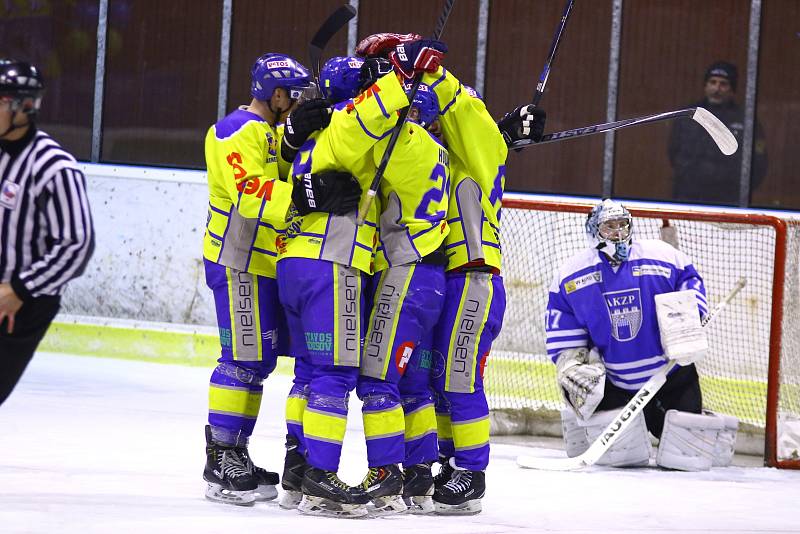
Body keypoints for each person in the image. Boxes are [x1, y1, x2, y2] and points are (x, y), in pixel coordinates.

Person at [354, 32, 546, 515]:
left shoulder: (472, 151)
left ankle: (471, 472)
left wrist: (434, 73)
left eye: (429, 113)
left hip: (474, 274)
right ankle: (443, 462)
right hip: (447, 277)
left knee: (459, 379)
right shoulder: (444, 153)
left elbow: (470, 122)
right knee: (437, 380)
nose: (423, 121)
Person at [276, 48, 444, 518]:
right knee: (340, 375)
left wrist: (290, 138)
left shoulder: (313, 134)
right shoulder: (361, 133)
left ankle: (298, 463)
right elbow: (368, 118)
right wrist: (402, 75)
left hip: (291, 260)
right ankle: (321, 477)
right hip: (337, 261)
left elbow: (286, 171)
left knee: (308, 375)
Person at [201, 52, 359, 506]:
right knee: (242, 359)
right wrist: (309, 194)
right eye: (294, 94)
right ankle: (221, 456)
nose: (300, 101)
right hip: (237, 260)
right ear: (275, 94)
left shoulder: (270, 132)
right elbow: (251, 194)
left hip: (263, 263)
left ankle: (237, 452)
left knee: (260, 360)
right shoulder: (235, 130)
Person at [545, 199, 739, 471]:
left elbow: (689, 278)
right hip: (615, 383)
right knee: (621, 461)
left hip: (671, 377)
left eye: (623, 225)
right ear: (593, 231)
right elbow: (563, 320)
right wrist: (572, 362)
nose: (618, 232)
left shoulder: (661, 255)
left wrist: (688, 315)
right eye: (609, 226)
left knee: (686, 458)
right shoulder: (571, 274)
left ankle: (716, 431)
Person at [358, 81, 450, 515]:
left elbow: (355, 147)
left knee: (379, 380)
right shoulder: (442, 153)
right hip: (434, 281)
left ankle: (385, 474)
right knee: (416, 386)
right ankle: (418, 476)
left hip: (403, 275)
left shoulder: (405, 143)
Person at [0, 59, 95, 407]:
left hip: (25, 303)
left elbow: (76, 245)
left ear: (24, 107)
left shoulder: (54, 167)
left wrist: (19, 290)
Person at [668, 60, 767, 205]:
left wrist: (736, 187)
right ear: (705, 85)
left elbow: (759, 163)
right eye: (712, 82)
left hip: (727, 199)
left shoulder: (746, 120)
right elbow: (673, 152)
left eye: (723, 84)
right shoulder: (689, 115)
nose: (717, 88)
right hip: (688, 196)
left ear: (731, 89)